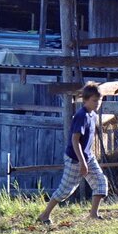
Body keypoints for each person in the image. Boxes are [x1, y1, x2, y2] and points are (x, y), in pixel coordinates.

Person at [39, 82, 108, 224]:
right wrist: (82, 162)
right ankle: (44, 215)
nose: (97, 103)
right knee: (65, 190)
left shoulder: (93, 115)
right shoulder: (81, 116)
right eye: (94, 100)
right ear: (85, 100)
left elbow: (87, 139)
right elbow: (75, 140)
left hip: (88, 157)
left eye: (99, 100)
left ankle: (93, 214)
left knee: (101, 182)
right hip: (75, 159)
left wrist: (88, 157)